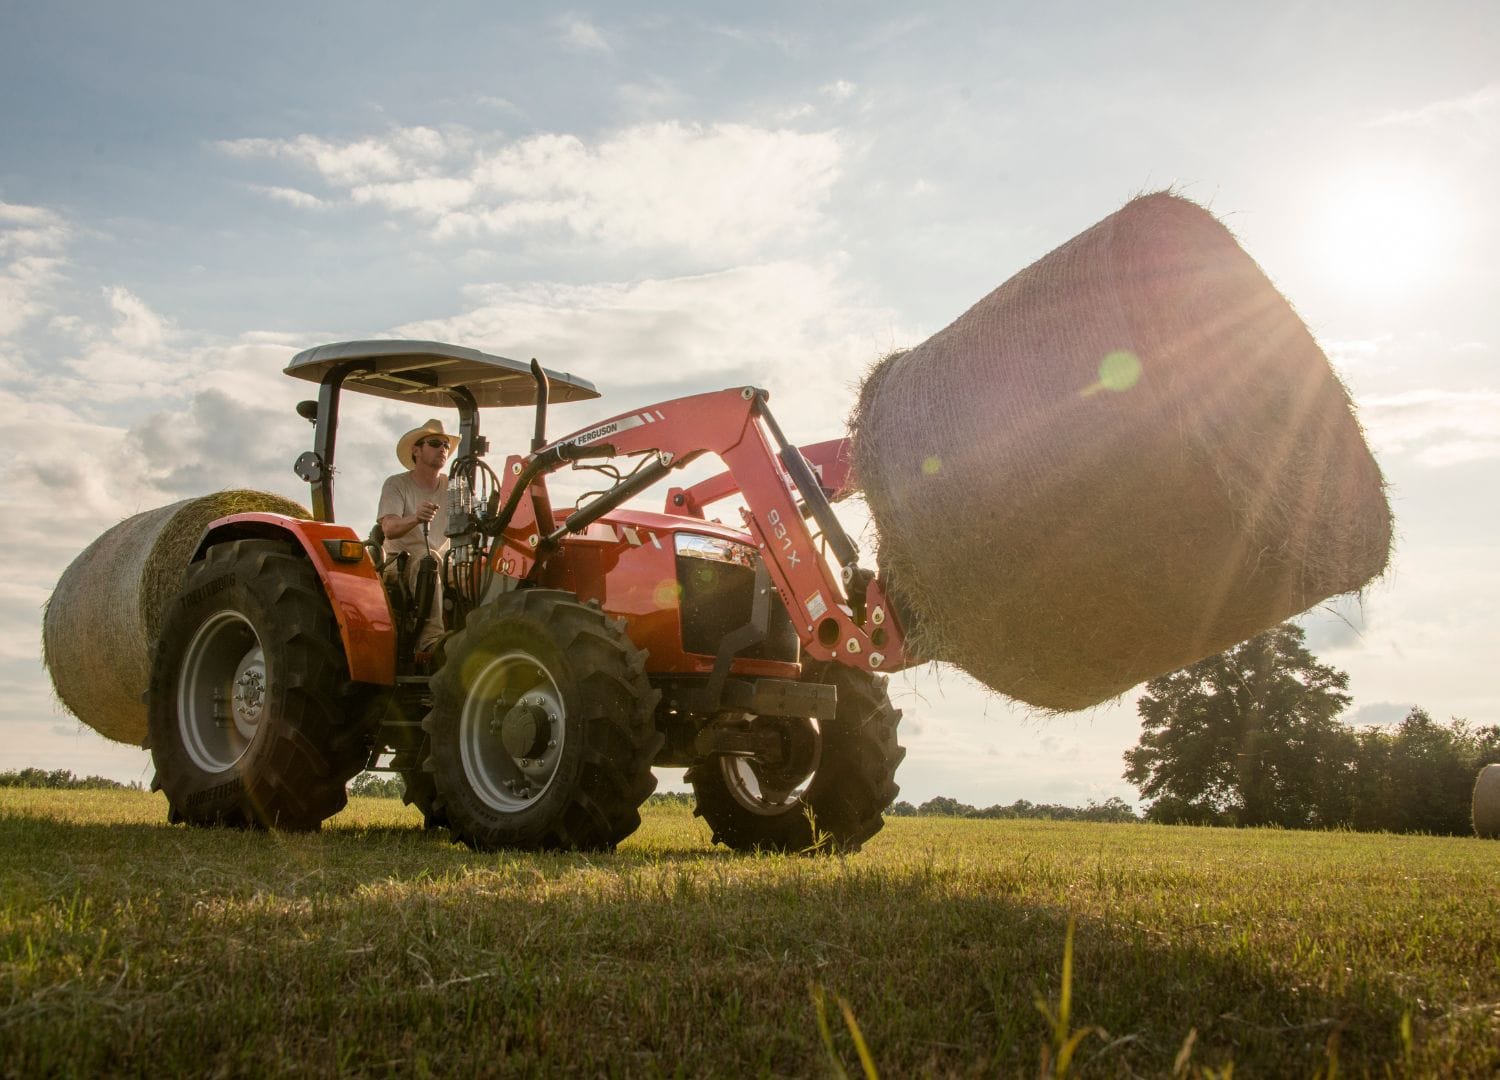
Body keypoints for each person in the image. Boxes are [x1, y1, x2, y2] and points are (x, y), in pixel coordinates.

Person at [378, 419, 459, 653]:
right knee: (428, 558)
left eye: (446, 445)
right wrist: (415, 517)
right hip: (401, 562)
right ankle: (430, 642)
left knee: (477, 571)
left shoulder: (453, 486)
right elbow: (389, 528)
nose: (442, 449)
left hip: (445, 561)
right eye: (434, 443)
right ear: (416, 450)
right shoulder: (396, 484)